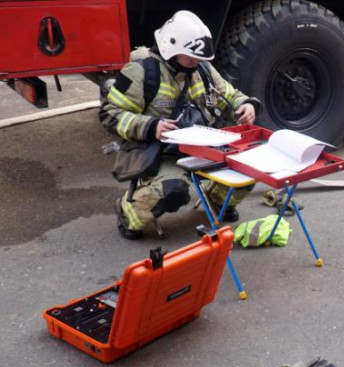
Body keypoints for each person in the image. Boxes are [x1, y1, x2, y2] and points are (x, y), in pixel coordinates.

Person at [100, 10, 261, 240]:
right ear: (171, 49)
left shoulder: (202, 69)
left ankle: (215, 201)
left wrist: (246, 105)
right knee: (173, 192)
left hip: (204, 148)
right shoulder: (141, 71)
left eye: (199, 57)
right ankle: (130, 211)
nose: (196, 62)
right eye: (191, 57)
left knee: (249, 168)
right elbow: (109, 114)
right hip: (161, 153)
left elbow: (229, 94)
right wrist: (150, 126)